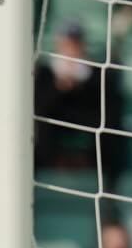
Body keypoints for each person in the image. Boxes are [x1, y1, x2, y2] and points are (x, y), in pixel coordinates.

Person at [33, 22, 126, 181]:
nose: (71, 48)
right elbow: (40, 104)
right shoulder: (45, 72)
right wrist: (59, 88)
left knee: (110, 128)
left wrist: (82, 86)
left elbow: (110, 104)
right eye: (67, 43)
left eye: (75, 43)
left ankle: (104, 177)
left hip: (87, 120)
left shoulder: (98, 73)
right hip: (54, 122)